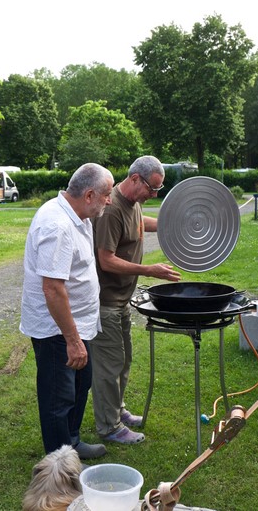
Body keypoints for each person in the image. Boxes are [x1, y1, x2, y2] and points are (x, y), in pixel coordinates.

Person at [20, 163, 115, 460]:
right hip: (56, 329)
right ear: (89, 195)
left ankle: (71, 442)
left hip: (77, 325)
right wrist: (72, 340)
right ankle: (59, 465)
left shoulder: (79, 216)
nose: (110, 200)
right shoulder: (57, 224)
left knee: (79, 385)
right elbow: (53, 289)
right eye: (107, 194)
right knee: (58, 398)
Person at [91, 155, 181, 444]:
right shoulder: (112, 209)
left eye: (158, 190)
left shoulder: (133, 205)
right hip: (105, 301)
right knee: (109, 366)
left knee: (124, 359)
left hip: (122, 298)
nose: (154, 195)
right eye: (152, 189)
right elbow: (106, 261)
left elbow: (144, 222)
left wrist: (175, 222)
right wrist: (148, 270)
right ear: (134, 179)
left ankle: (117, 410)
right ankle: (109, 426)